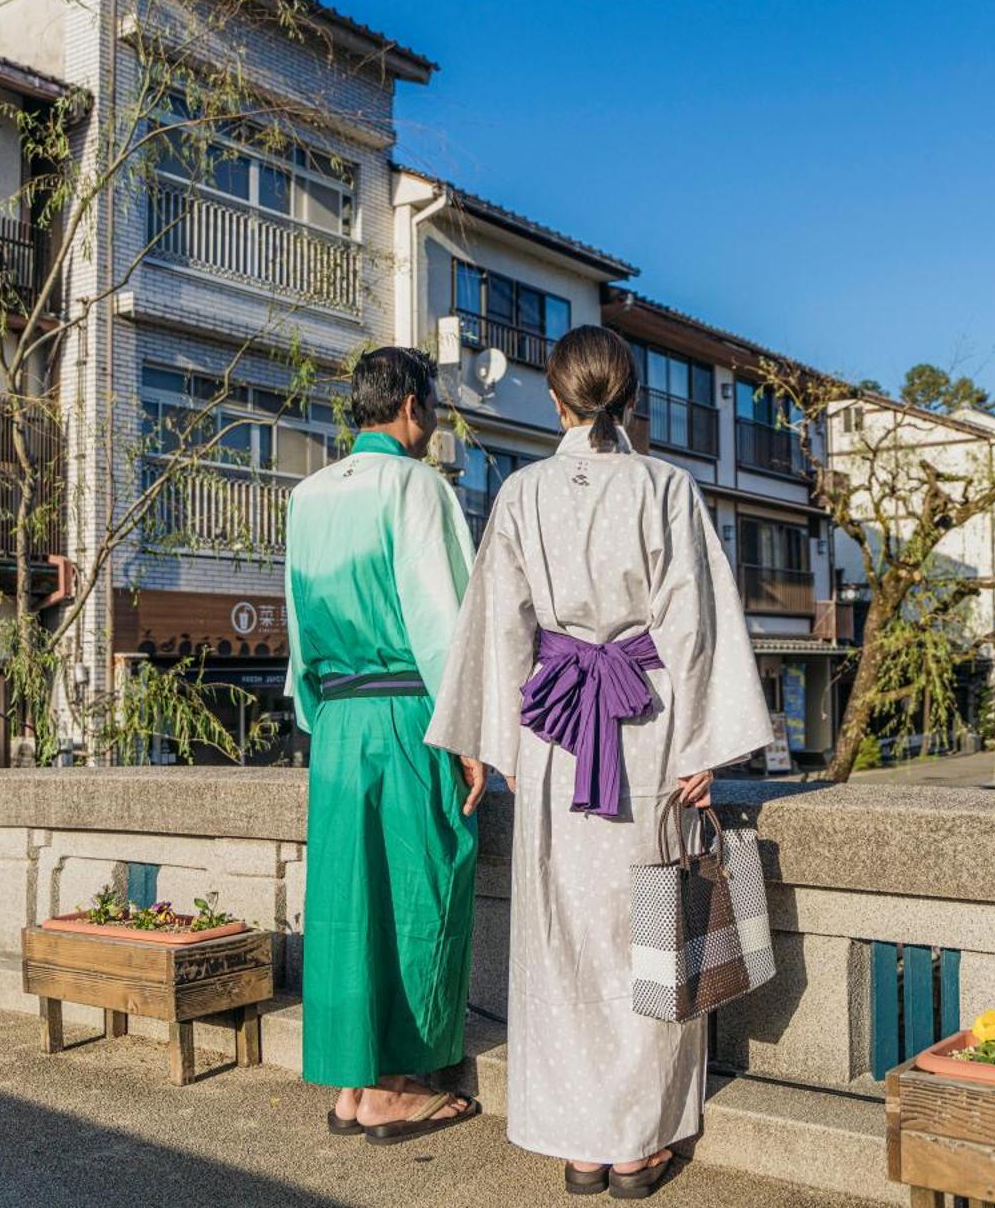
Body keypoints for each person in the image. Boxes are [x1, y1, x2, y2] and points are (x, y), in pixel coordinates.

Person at [426, 326, 772, 1199]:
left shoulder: (522, 493)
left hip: (556, 735)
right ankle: (635, 1143)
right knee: (649, 930)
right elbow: (693, 622)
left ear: (555, 398)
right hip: (647, 725)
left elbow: (500, 623)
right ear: (631, 398)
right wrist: (707, 742)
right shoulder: (665, 487)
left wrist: (492, 738)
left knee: (562, 939)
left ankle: (578, 1142)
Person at [284, 346, 486, 1144]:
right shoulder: (417, 486)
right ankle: (398, 1082)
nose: (432, 421)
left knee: (346, 901)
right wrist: (469, 732)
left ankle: (353, 1083)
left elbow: (297, 624)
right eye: (430, 404)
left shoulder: (305, 495)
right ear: (409, 405)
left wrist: (319, 715)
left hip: (336, 720)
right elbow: (444, 619)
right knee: (420, 886)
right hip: (406, 711)